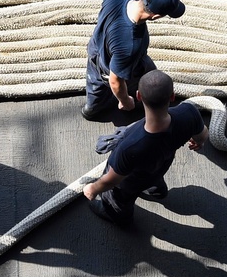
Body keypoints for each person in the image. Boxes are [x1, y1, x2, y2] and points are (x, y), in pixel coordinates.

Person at [82, 70, 209, 227]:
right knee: (154, 173)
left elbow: (112, 180)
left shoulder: (129, 147)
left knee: (119, 198)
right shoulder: (188, 112)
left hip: (132, 180)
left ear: (138, 96)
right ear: (172, 96)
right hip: (160, 165)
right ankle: (157, 189)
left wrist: (93, 188)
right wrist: (199, 142)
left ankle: (119, 216)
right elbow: (202, 134)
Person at [82, 0, 186, 120]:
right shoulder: (130, 44)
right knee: (96, 101)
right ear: (155, 16)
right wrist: (125, 101)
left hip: (96, 47)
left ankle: (92, 105)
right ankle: (92, 110)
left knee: (153, 77)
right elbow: (115, 80)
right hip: (108, 68)